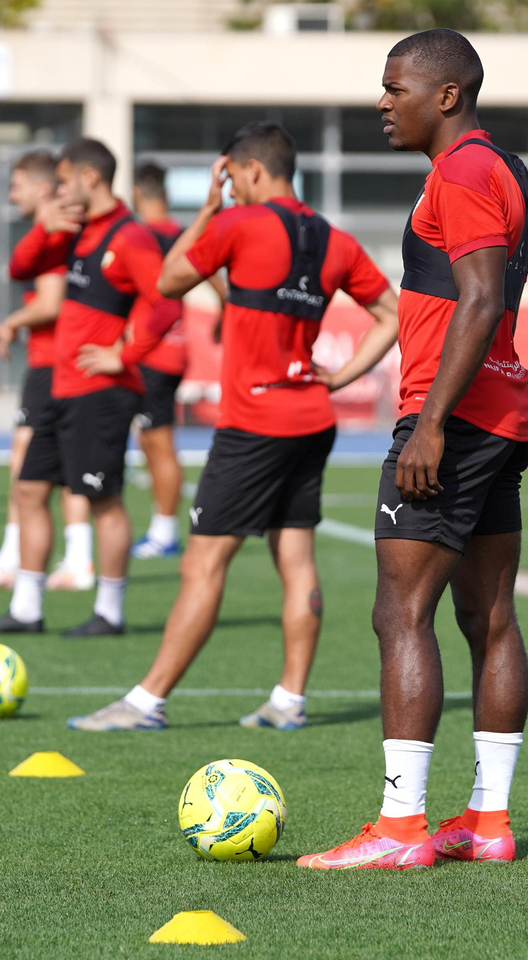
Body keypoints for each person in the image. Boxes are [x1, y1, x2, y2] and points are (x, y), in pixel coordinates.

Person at [67, 121, 398, 733]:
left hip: (253, 422)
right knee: (295, 556)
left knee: (203, 565)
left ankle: (145, 703)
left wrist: (206, 211)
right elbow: (390, 314)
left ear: (247, 171)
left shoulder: (237, 224)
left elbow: (167, 282)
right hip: (310, 416)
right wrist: (339, 379)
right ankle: (289, 700)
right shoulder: (334, 239)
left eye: (233, 178)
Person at [300, 30, 528, 870]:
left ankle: (402, 829)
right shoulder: (508, 169)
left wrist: (430, 422)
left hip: (456, 420)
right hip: (504, 414)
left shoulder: (464, 172)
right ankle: (487, 822)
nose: (382, 101)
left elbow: (477, 300)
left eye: (395, 86)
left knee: (400, 614)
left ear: (448, 95)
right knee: (488, 617)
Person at [0, 138, 172, 637]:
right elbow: (19, 268)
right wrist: (42, 229)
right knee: (29, 489)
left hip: (102, 392)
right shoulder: (73, 230)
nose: (56, 191)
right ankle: (26, 608)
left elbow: (165, 303)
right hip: (59, 388)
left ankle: (109, 612)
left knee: (103, 500)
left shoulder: (130, 236)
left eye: (62, 181)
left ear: (89, 179)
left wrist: (122, 355)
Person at [0, 150, 95, 594]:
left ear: (41, 189)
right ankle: (71, 560)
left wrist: (12, 321)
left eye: (16, 186)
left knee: (29, 463)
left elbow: (52, 304)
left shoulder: (55, 236)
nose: (11, 194)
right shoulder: (49, 235)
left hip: (54, 365)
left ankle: (18, 559)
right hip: (56, 364)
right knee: (61, 466)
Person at [127, 161, 189, 560]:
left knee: (159, 442)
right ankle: (160, 527)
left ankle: (165, 532)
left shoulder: (139, 237)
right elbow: (215, 279)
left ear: (137, 194)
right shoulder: (183, 236)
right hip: (173, 348)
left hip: (152, 350)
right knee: (150, 441)